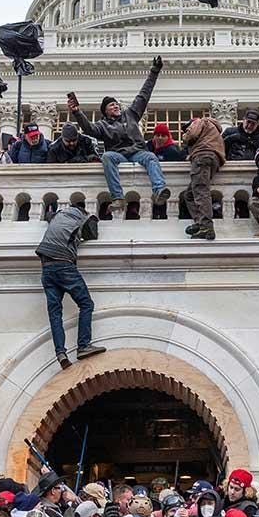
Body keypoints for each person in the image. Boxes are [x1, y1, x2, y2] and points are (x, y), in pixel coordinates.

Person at [69, 57, 170, 215]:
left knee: (151, 157)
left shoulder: (131, 114)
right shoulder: (103, 125)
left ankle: (159, 190)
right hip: (119, 155)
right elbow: (88, 129)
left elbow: (144, 95)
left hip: (137, 152)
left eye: (116, 103)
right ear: (105, 111)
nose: (115, 106)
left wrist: (154, 72)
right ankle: (117, 197)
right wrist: (77, 112)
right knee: (107, 156)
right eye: (111, 105)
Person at [36, 204, 105, 369]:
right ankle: (83, 346)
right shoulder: (83, 217)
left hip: (46, 267)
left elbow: (48, 215)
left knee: (55, 313)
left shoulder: (57, 216)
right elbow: (93, 233)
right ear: (83, 210)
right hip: (64, 266)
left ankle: (60, 353)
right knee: (86, 304)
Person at [180, 116, 225, 240]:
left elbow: (192, 134)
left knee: (200, 191)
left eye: (186, 129)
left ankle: (206, 227)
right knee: (189, 194)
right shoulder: (212, 128)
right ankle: (200, 223)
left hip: (202, 157)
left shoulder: (200, 122)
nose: (186, 131)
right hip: (213, 158)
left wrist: (185, 138)